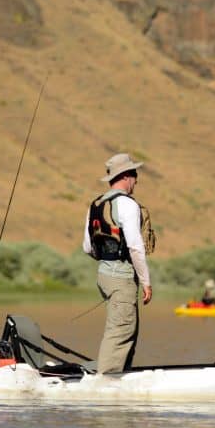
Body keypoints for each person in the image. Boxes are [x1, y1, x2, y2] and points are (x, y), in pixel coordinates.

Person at [83, 153, 153, 373]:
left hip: (104, 275)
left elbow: (87, 246)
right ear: (126, 176)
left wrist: (107, 260)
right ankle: (106, 382)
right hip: (121, 277)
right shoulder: (128, 205)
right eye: (134, 174)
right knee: (121, 331)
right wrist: (146, 282)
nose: (136, 179)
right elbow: (135, 246)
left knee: (126, 329)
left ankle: (119, 378)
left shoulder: (95, 204)